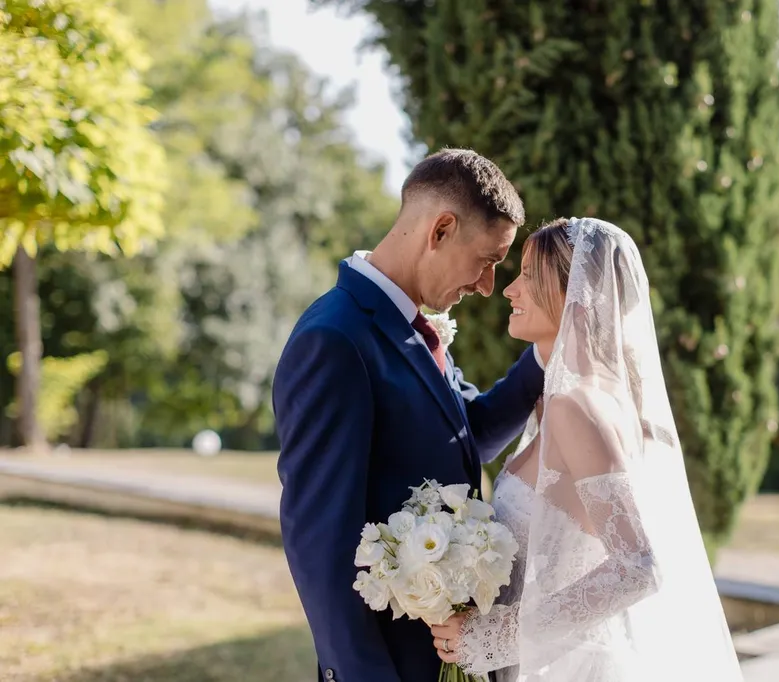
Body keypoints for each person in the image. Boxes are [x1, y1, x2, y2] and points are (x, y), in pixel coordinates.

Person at [272, 149, 547, 682]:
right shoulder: (335, 339)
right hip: (390, 665)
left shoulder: (416, 327)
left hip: (452, 656)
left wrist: (550, 347)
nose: (487, 285)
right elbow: (320, 544)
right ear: (440, 230)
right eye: (488, 260)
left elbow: (471, 434)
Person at [429, 217, 744, 681]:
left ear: (576, 296)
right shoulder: (569, 398)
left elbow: (638, 568)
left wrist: (491, 638)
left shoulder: (575, 405)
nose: (509, 291)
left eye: (529, 277)